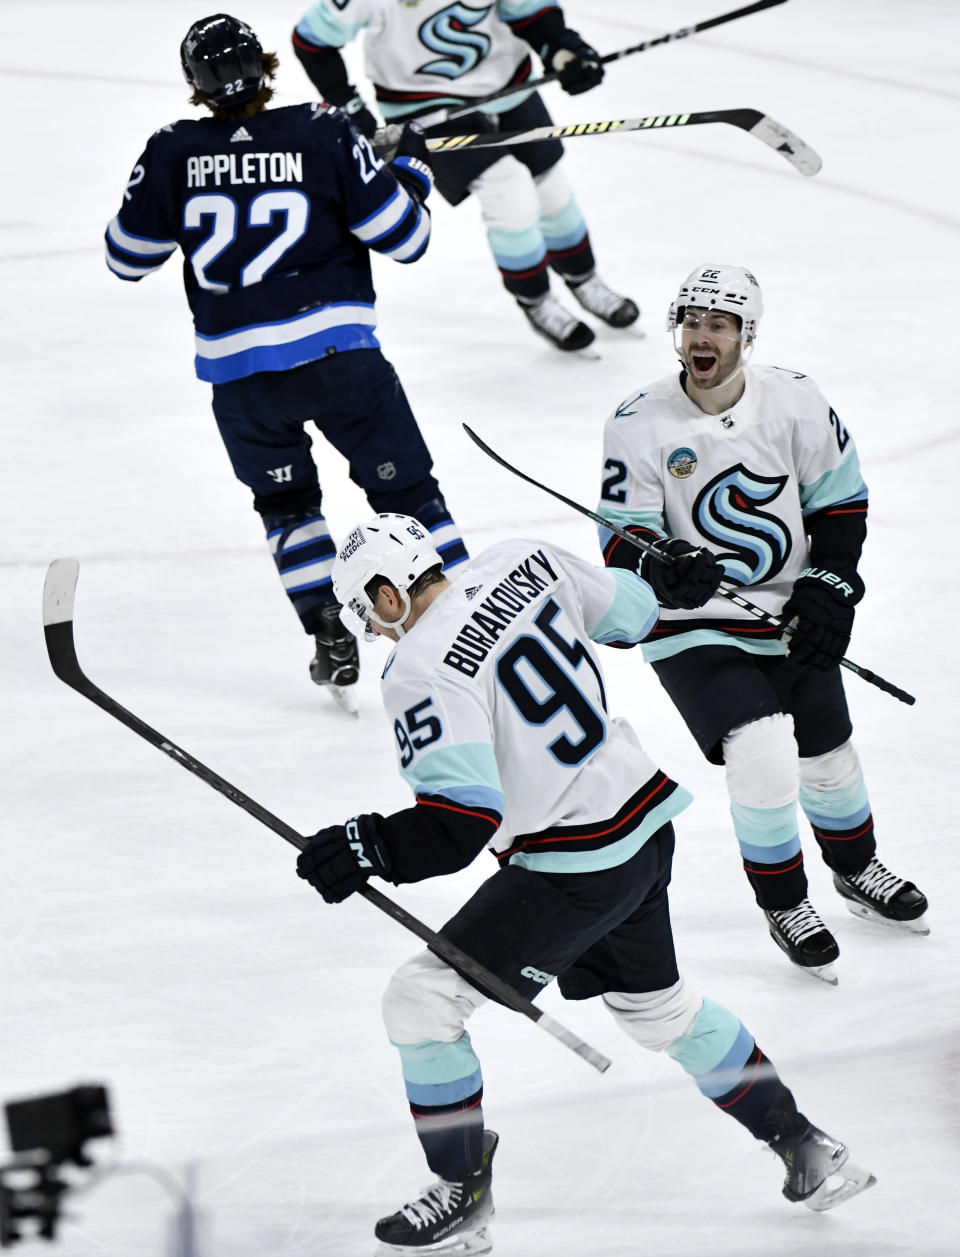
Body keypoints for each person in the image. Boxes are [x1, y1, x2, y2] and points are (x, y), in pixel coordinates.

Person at [294, 512, 874, 1254]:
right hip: (641, 825)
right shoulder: (521, 555)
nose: (377, 633)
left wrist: (366, 843)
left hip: (575, 863)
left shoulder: (418, 671)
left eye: (368, 615)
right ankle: (806, 1147)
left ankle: (461, 1191)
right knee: (660, 1011)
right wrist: (660, 568)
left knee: (421, 1000)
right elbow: (633, 615)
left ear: (386, 591)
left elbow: (459, 822)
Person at [104, 14, 468, 710]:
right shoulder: (325, 129)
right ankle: (467, 624)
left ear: (195, 85)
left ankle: (323, 621)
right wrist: (411, 166)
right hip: (341, 362)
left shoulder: (171, 150)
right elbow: (407, 236)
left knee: (286, 504)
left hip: (242, 382)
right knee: (410, 496)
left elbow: (127, 258)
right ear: (266, 67)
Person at [597, 262, 928, 983]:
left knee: (830, 754)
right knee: (763, 749)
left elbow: (841, 503)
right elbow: (621, 536)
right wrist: (666, 562)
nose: (699, 336)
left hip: (784, 611)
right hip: (691, 624)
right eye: (690, 321)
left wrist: (831, 585)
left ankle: (856, 867)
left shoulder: (796, 400)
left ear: (747, 334)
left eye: (716, 323)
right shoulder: (639, 421)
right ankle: (785, 903)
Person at [291, 0, 640, 353]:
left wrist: (564, 51)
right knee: (509, 191)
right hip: (426, 107)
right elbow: (311, 41)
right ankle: (536, 300)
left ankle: (586, 280)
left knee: (552, 190)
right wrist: (351, 108)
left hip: (509, 89)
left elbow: (531, 13)